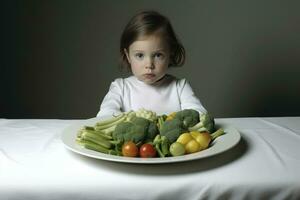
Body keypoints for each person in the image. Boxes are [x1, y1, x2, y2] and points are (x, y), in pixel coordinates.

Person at [97, 10, 207, 119]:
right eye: (140, 55)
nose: (149, 65)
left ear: (170, 53)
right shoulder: (120, 88)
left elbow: (199, 115)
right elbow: (104, 115)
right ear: (128, 55)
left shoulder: (179, 88)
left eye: (158, 55)